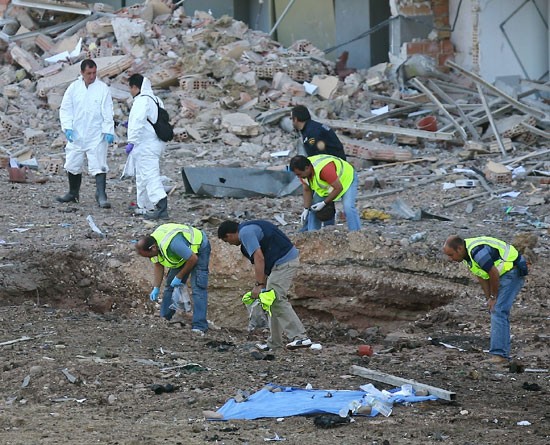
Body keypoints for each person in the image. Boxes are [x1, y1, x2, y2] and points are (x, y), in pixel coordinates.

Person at [217, 220, 312, 351]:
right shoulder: (248, 229)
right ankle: (274, 343)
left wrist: (259, 284)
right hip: (278, 264)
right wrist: (263, 285)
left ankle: (300, 337)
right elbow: (264, 260)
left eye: (227, 241)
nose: (231, 244)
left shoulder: (245, 233)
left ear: (229, 235)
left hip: (284, 263)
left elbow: (259, 258)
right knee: (270, 301)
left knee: (277, 299)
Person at [443, 235, 528, 364]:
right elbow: (482, 276)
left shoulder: (477, 251)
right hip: (503, 274)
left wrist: (494, 297)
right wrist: (489, 298)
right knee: (496, 310)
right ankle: (501, 354)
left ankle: (500, 355)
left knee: (499, 310)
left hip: (512, 271)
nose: (450, 259)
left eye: (451, 255)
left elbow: (493, 273)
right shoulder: (467, 256)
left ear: (459, 249)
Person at [57, 59, 115, 208]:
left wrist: (108, 130)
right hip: (77, 134)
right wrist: (67, 127)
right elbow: (66, 109)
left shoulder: (102, 89)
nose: (92, 76)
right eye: (89, 73)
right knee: (73, 163)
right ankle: (73, 193)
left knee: (99, 163)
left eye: (94, 72)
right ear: (82, 72)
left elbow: (108, 111)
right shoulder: (74, 88)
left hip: (96, 134)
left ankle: (101, 195)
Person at [136, 223, 211, 335]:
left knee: (198, 288)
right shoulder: (154, 244)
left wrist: (179, 276)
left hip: (199, 248)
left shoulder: (173, 244)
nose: (151, 258)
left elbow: (192, 258)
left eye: (150, 256)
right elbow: (158, 265)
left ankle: (199, 326)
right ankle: (164, 319)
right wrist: (156, 287)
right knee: (170, 286)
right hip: (182, 254)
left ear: (153, 248)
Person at [126, 74, 168, 220]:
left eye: (130, 88)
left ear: (135, 87)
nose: (130, 91)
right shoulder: (156, 99)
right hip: (155, 143)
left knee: (150, 175)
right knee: (143, 176)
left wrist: (131, 141)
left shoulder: (142, 100)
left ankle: (161, 205)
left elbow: (138, 121)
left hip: (146, 145)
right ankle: (145, 205)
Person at [289, 154, 361, 232]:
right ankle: (312, 234)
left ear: (307, 168)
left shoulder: (325, 170)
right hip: (330, 184)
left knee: (348, 208)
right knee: (314, 208)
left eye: (299, 174)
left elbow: (338, 188)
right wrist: (306, 208)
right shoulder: (303, 174)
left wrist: (324, 203)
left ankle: (356, 234)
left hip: (346, 179)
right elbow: (307, 190)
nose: (298, 177)